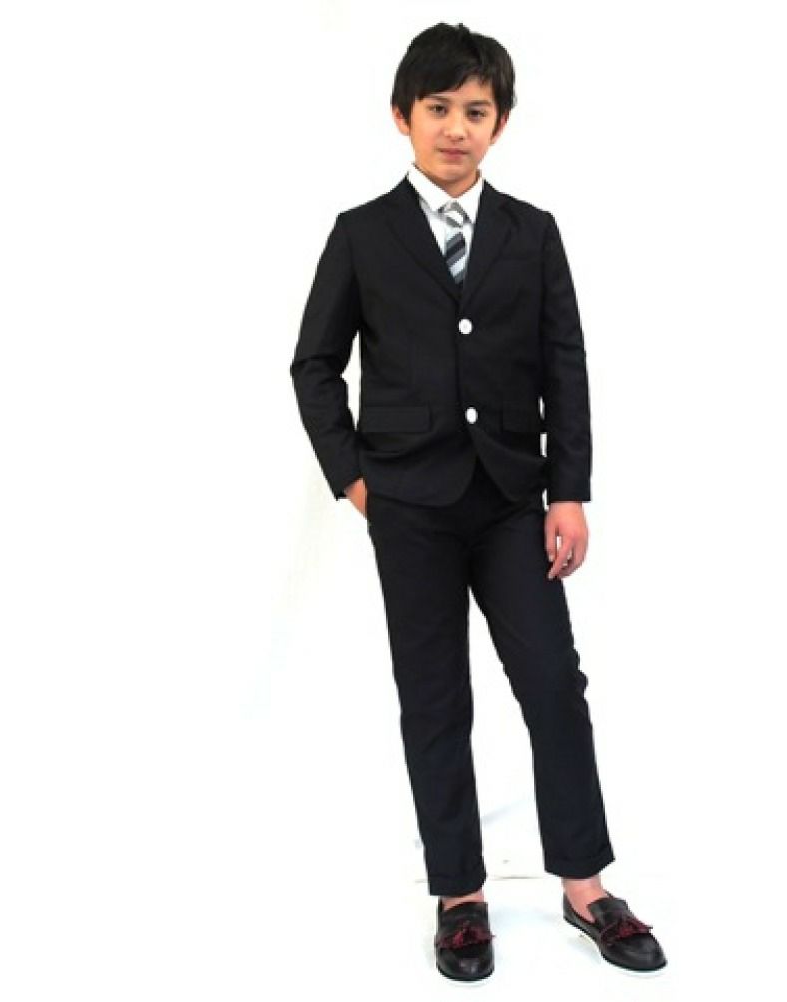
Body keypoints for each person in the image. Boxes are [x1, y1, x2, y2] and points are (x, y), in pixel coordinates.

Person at [290, 21, 667, 981]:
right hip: (408, 506)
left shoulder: (532, 233)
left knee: (553, 684)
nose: (456, 127)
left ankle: (584, 883)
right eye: (438, 108)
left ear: (500, 123)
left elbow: (564, 365)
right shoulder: (362, 233)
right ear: (402, 116)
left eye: (476, 110)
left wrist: (568, 491)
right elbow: (314, 365)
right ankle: (460, 895)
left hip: (509, 500)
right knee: (434, 698)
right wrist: (355, 478)